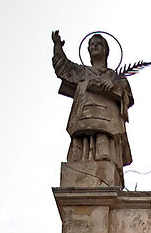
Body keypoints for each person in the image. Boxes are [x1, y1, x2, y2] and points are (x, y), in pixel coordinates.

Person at [51, 31, 135, 172]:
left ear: (105, 50)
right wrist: (57, 46)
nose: (95, 46)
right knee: (82, 142)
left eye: (99, 44)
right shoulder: (82, 71)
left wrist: (113, 87)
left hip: (107, 118)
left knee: (104, 144)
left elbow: (128, 96)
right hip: (85, 114)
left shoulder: (114, 76)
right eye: (92, 45)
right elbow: (63, 67)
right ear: (88, 50)